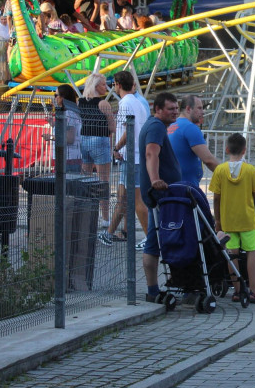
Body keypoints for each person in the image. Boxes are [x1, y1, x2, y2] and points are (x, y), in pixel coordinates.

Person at [209, 133, 255, 307]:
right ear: (244, 150)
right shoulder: (250, 170)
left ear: (227, 149)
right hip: (247, 219)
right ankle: (254, 291)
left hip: (228, 220)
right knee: (251, 252)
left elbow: (216, 197)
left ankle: (236, 290)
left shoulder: (220, 170)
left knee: (232, 254)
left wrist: (218, 220)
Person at [139, 92, 182, 300]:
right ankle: (153, 290)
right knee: (154, 242)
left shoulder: (156, 126)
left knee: (158, 239)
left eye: (176, 108)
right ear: (158, 109)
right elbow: (151, 153)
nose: (175, 112)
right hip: (159, 196)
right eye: (170, 109)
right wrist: (155, 179)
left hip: (163, 194)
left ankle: (166, 283)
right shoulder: (156, 126)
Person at [102, 71, 149, 247]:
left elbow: (128, 131)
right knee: (123, 197)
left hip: (132, 157)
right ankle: (109, 233)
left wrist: (116, 148)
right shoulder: (138, 102)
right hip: (131, 157)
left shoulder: (126, 103)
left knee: (137, 200)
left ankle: (150, 238)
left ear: (117, 85)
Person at [78, 72, 115, 227]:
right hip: (100, 139)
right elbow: (112, 126)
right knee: (103, 181)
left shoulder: (80, 101)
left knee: (86, 179)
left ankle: (84, 214)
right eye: (102, 84)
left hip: (84, 139)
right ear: (95, 86)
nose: (105, 87)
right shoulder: (103, 104)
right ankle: (105, 218)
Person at [167, 95, 219, 187]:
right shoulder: (190, 128)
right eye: (199, 108)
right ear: (188, 109)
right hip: (186, 188)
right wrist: (227, 175)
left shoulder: (171, 125)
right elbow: (208, 160)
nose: (203, 112)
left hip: (172, 185)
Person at [42, 84, 83, 174]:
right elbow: (66, 130)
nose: (55, 98)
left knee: (66, 186)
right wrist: (53, 124)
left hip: (69, 158)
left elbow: (69, 138)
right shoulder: (70, 112)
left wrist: (51, 137)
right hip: (66, 158)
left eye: (56, 95)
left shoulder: (69, 113)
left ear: (63, 97)